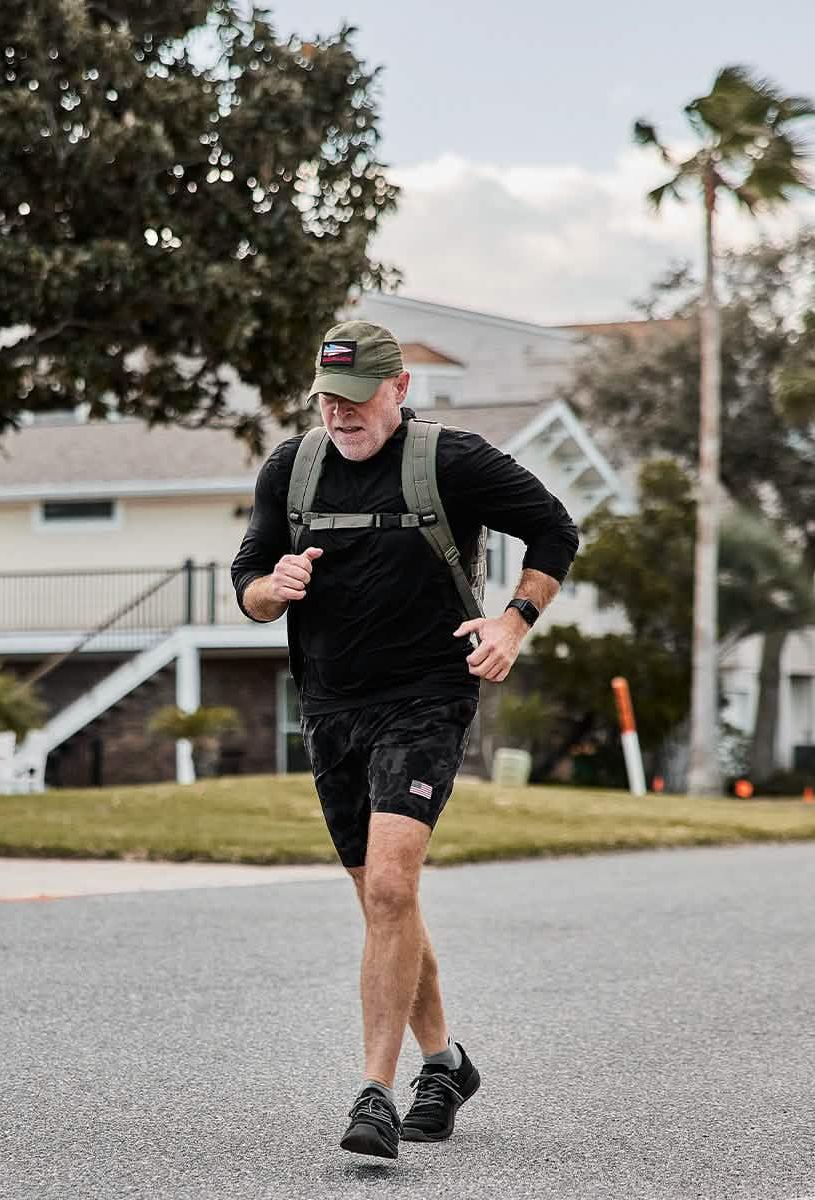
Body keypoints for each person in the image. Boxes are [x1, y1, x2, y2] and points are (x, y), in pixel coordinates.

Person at [230, 320, 579, 1159]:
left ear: (399, 390)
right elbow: (247, 578)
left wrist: (513, 622)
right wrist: (272, 589)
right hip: (330, 702)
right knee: (383, 901)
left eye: (354, 401)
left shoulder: (452, 461)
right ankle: (446, 1064)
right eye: (326, 400)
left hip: (427, 695)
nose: (339, 416)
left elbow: (556, 531)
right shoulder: (292, 466)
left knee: (391, 888)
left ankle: (374, 1095)